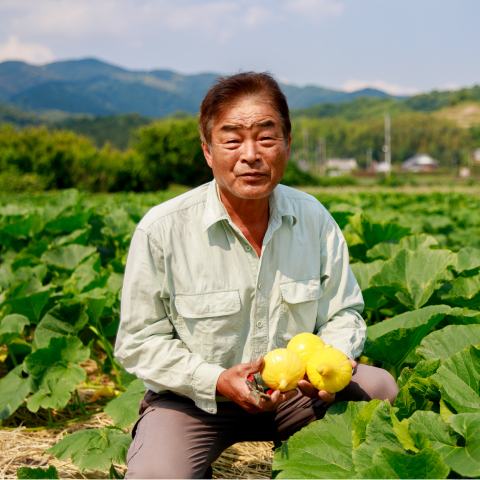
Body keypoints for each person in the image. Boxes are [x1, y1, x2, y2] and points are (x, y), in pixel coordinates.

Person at [114, 72, 399, 479]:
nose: (251, 154)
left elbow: (344, 311)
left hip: (297, 394)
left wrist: (326, 368)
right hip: (196, 401)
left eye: (266, 138)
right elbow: (139, 342)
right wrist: (215, 379)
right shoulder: (162, 229)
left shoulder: (313, 218)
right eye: (232, 140)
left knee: (380, 389)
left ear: (286, 145)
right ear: (208, 151)